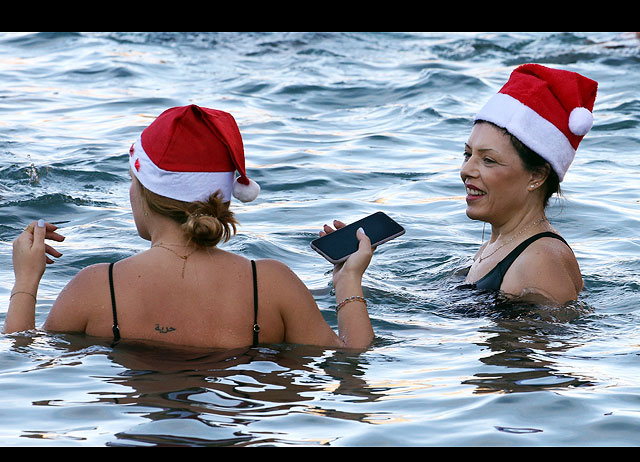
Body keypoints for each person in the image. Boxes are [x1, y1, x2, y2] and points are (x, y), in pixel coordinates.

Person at [4, 105, 374, 349]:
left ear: (143, 193)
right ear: (225, 198)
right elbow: (352, 361)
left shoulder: (96, 286)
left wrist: (25, 281)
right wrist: (348, 282)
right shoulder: (274, 284)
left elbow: (21, 354)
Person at [461, 64, 598, 305]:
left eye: (488, 160)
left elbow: (552, 341)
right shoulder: (494, 247)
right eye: (467, 154)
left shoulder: (538, 260)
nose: (466, 170)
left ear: (537, 176)